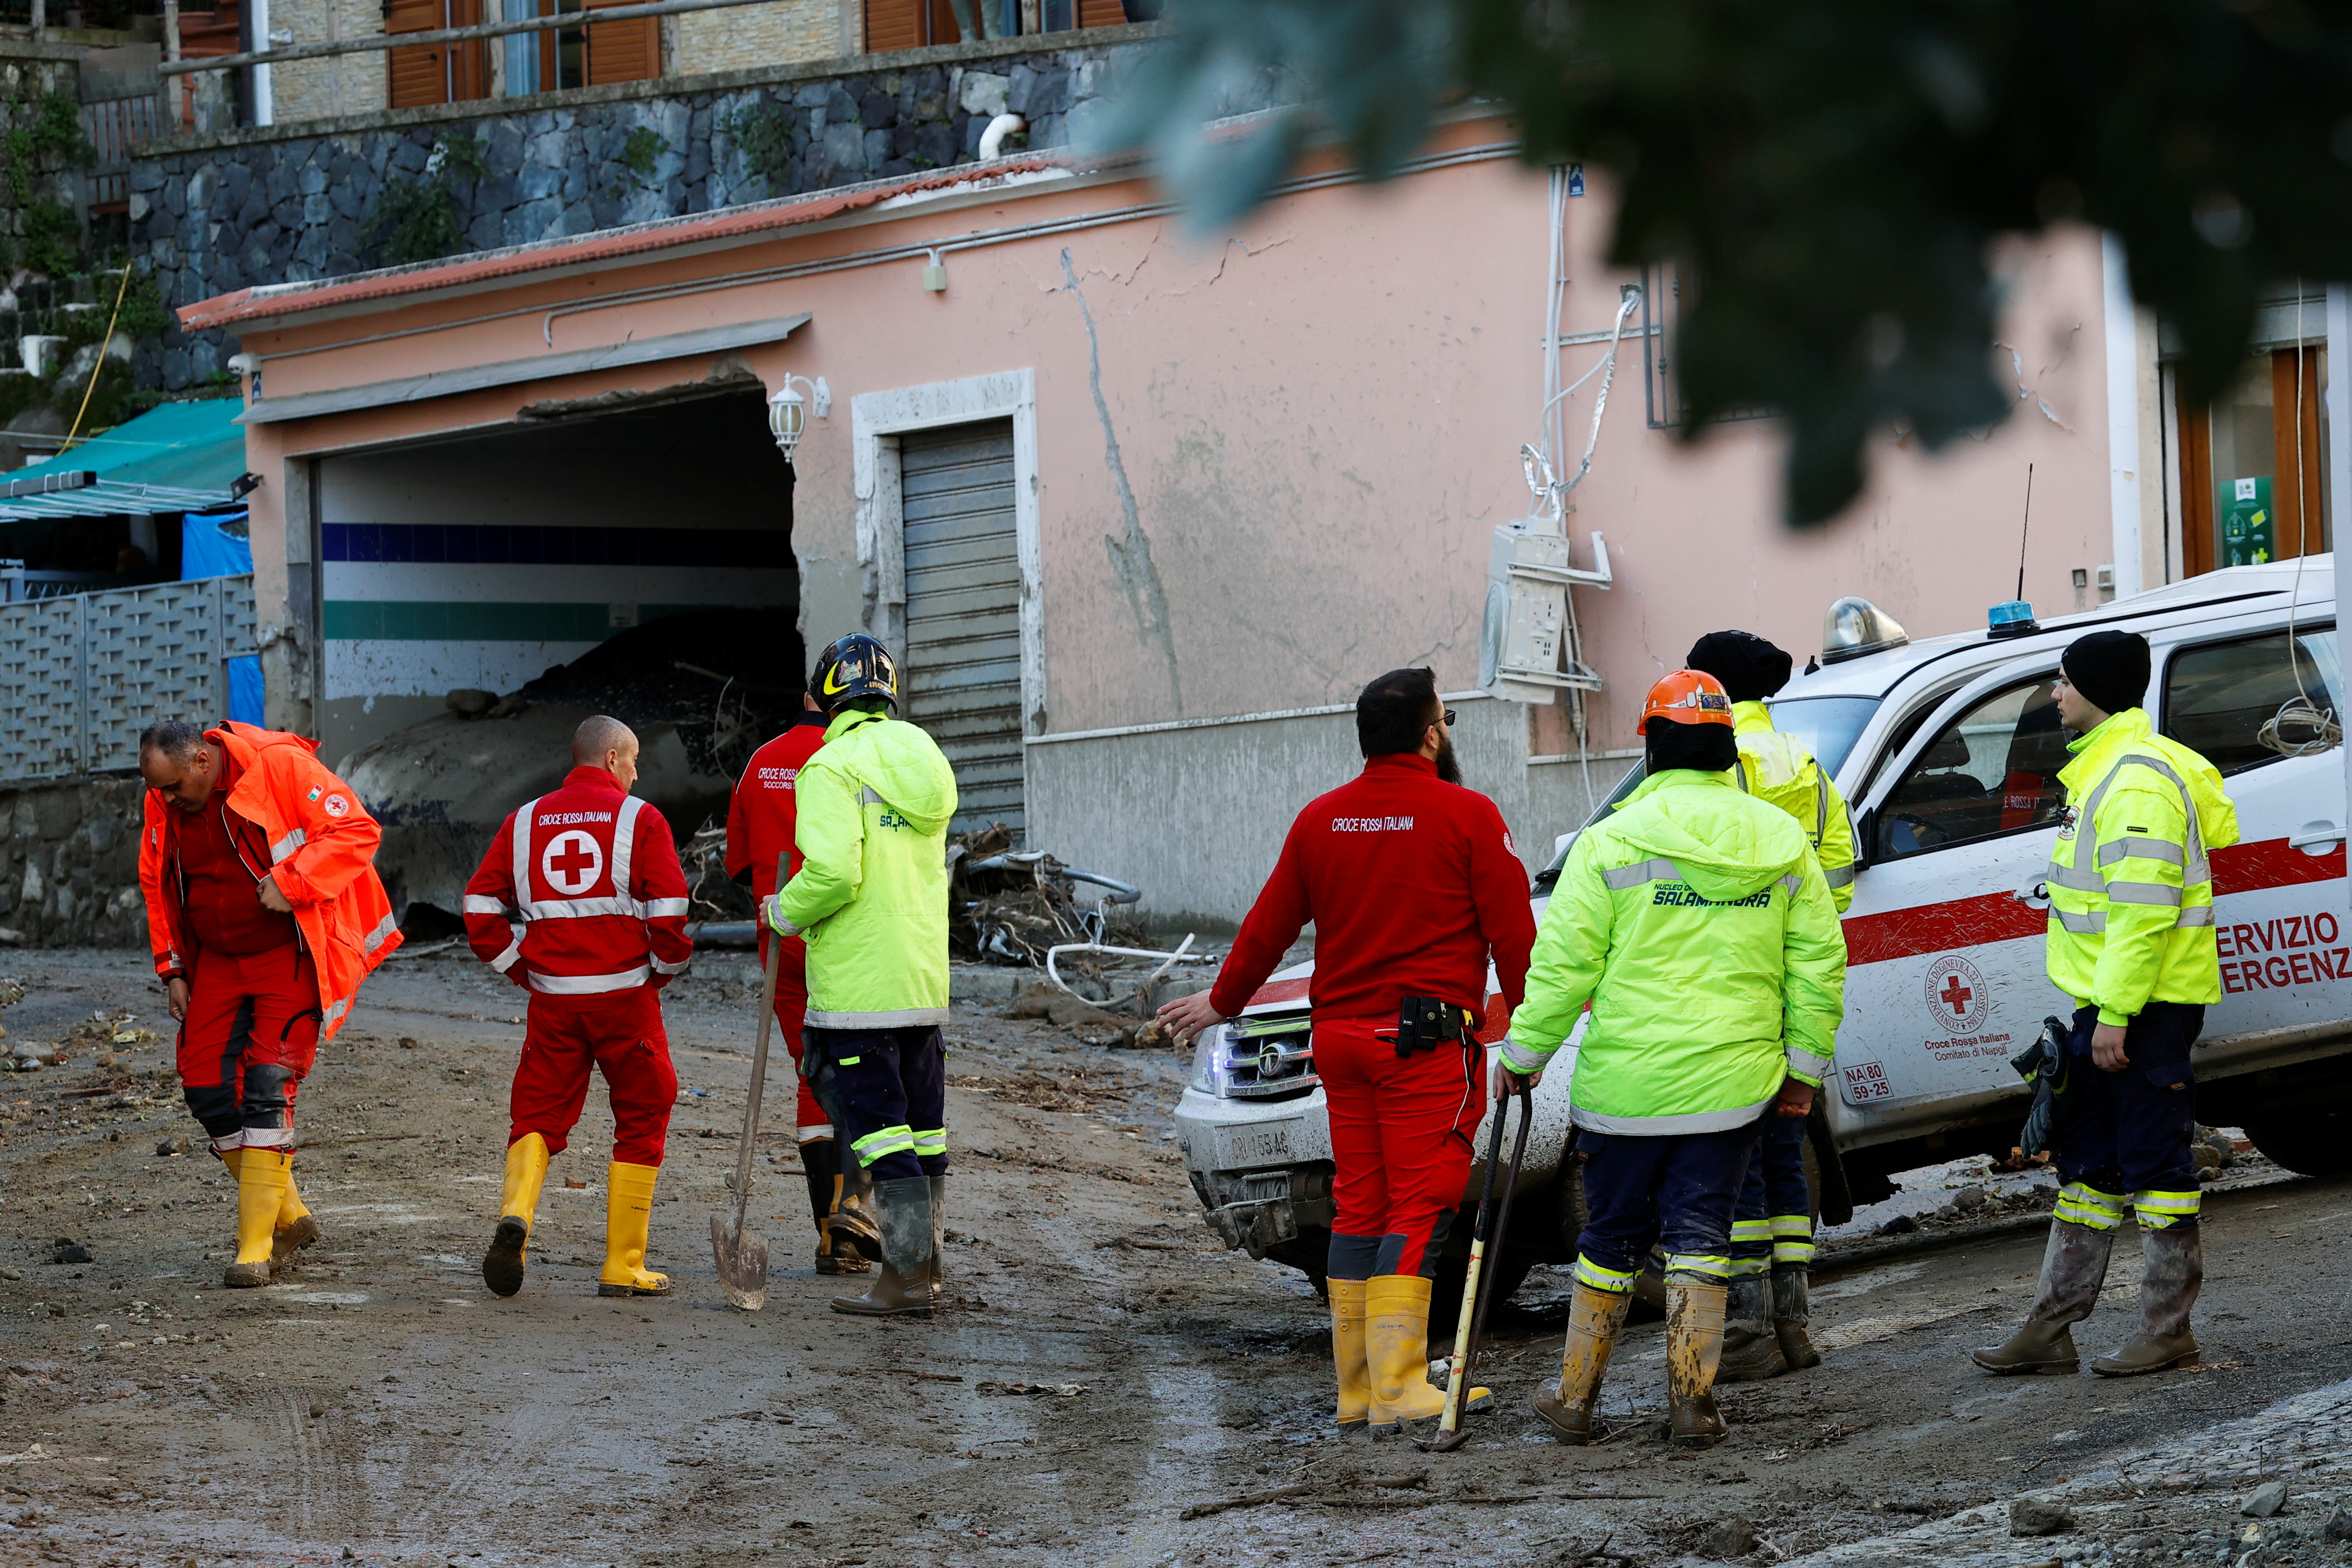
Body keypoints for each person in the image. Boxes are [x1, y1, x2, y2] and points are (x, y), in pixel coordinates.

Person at [1160, 668, 1536, 1434]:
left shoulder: (1320, 820)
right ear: (1431, 735)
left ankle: (1359, 1388)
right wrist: (1533, 1033)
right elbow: (1515, 937)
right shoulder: (1468, 815)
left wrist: (1222, 1004)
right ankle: (1402, 1386)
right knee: (1423, 1200)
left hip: (1340, 1044)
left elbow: (1269, 926)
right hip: (1422, 1048)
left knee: (1362, 1202)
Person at [1498, 669, 1846, 1447]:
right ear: (1726, 749)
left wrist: (1523, 1053)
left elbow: (1564, 967)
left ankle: (1576, 1399)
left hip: (1626, 1090)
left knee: (1612, 1237)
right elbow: (1818, 965)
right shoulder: (1781, 839)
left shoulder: (1611, 840)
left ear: (1653, 747)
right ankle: (1694, 1405)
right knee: (1702, 1237)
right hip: (1733, 1087)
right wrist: (1803, 1069)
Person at [1973, 630, 2237, 1377]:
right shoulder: (2105, 772)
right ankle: (2051, 1327)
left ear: (2095, 687)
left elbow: (2143, 912)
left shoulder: (2134, 782)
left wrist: (2116, 1015)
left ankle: (2168, 1331)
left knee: (2155, 1168)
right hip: (2111, 1006)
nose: (2055, 693)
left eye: (2063, 681)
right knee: (2088, 1164)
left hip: (2142, 1009)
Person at [136, 718, 402, 1288]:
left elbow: (355, 829)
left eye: (173, 788)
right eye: (157, 790)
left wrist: (295, 881)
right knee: (206, 1088)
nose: (164, 801)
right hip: (217, 964)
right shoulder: (168, 797)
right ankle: (289, 1216)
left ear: (202, 764)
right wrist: (173, 969)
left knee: (266, 1086)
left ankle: (255, 1248)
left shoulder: (279, 767)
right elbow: (156, 880)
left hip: (291, 952)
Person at [760, 634, 959, 1318]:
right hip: (923, 977)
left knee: (880, 1132)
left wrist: (783, 912)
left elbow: (836, 874)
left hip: (860, 985)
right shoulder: (925, 756)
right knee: (926, 1131)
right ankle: (928, 1271)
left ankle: (904, 1278)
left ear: (828, 695)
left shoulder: (831, 766)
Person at [463, 715, 693, 1300]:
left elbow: (478, 905)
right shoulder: (641, 819)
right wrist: (660, 972)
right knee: (644, 1111)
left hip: (554, 1000)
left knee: (538, 1111)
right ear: (613, 759)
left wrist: (522, 968)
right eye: (634, 761)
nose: (637, 773)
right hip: (625, 997)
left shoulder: (522, 823)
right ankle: (623, 1265)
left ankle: (517, 1214)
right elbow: (669, 911)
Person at [1686, 629, 1857, 1380]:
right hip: (1798, 981)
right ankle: (1793, 1322)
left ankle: (1749, 1332)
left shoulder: (1719, 764)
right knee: (1786, 1149)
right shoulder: (1801, 760)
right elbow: (1839, 869)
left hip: (1740, 983)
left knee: (1742, 1155)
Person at [727, 685, 880, 1276]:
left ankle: (828, 1237)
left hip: (781, 939)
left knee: (811, 1075)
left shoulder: (761, 760)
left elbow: (739, 865)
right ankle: (851, 1228)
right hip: (844, 937)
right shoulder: (860, 755)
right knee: (861, 1073)